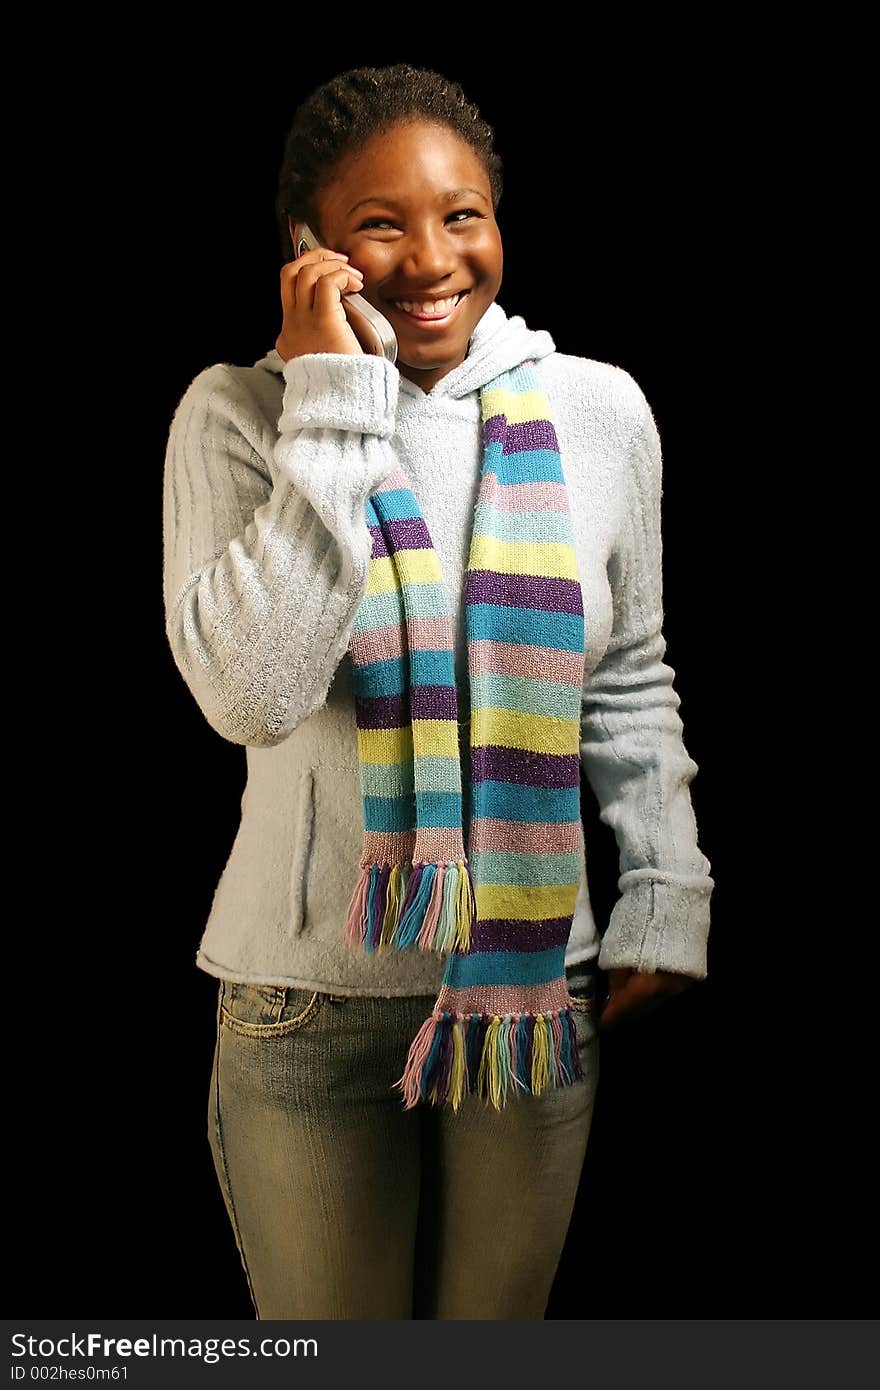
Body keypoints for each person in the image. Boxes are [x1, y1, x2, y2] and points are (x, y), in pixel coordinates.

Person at [162, 63, 714, 1320]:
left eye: (461, 213)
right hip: (305, 1006)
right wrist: (334, 403)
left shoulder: (598, 412)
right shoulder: (237, 416)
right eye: (380, 224)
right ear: (309, 248)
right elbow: (253, 691)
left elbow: (627, 677)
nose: (430, 258)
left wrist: (666, 895)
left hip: (528, 992)